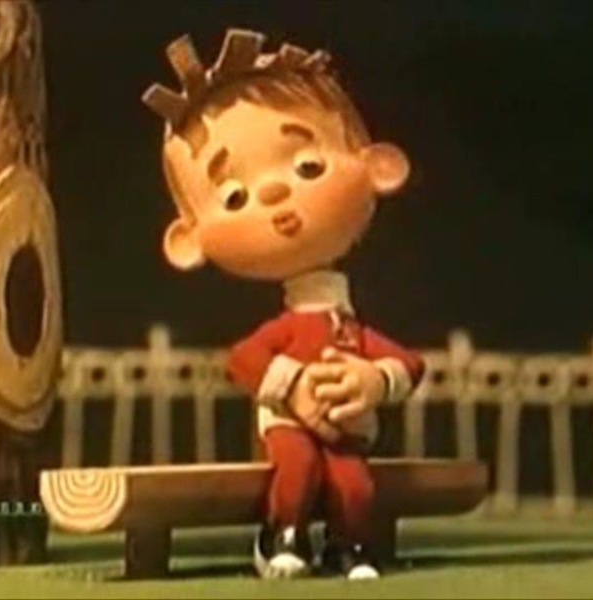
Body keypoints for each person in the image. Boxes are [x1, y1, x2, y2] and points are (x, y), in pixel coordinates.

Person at [142, 28, 425, 580]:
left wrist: (373, 381)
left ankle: (350, 546)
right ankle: (281, 536)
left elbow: (407, 363)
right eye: (234, 196)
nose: (274, 194)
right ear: (189, 239)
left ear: (379, 166)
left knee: (355, 484)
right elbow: (244, 359)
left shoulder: (347, 324)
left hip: (346, 430)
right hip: (289, 424)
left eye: (308, 166)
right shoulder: (288, 329)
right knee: (295, 468)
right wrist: (293, 388)